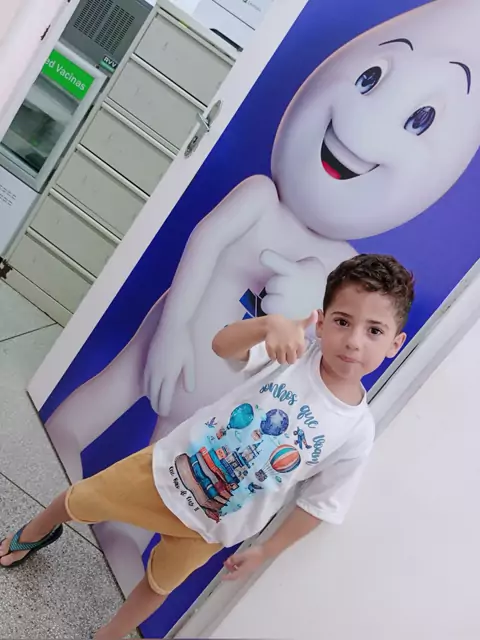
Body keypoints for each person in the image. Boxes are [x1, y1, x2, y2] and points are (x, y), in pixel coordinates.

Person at [0, 254, 414, 640]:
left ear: (394, 344)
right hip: (167, 469)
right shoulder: (291, 352)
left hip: (214, 525)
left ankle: (108, 635)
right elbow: (222, 345)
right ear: (321, 323)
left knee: (159, 584)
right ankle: (35, 533)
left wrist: (266, 550)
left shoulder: (357, 431)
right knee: (80, 499)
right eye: (342, 321)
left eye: (374, 331)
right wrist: (268, 325)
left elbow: (319, 505)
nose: (354, 340)